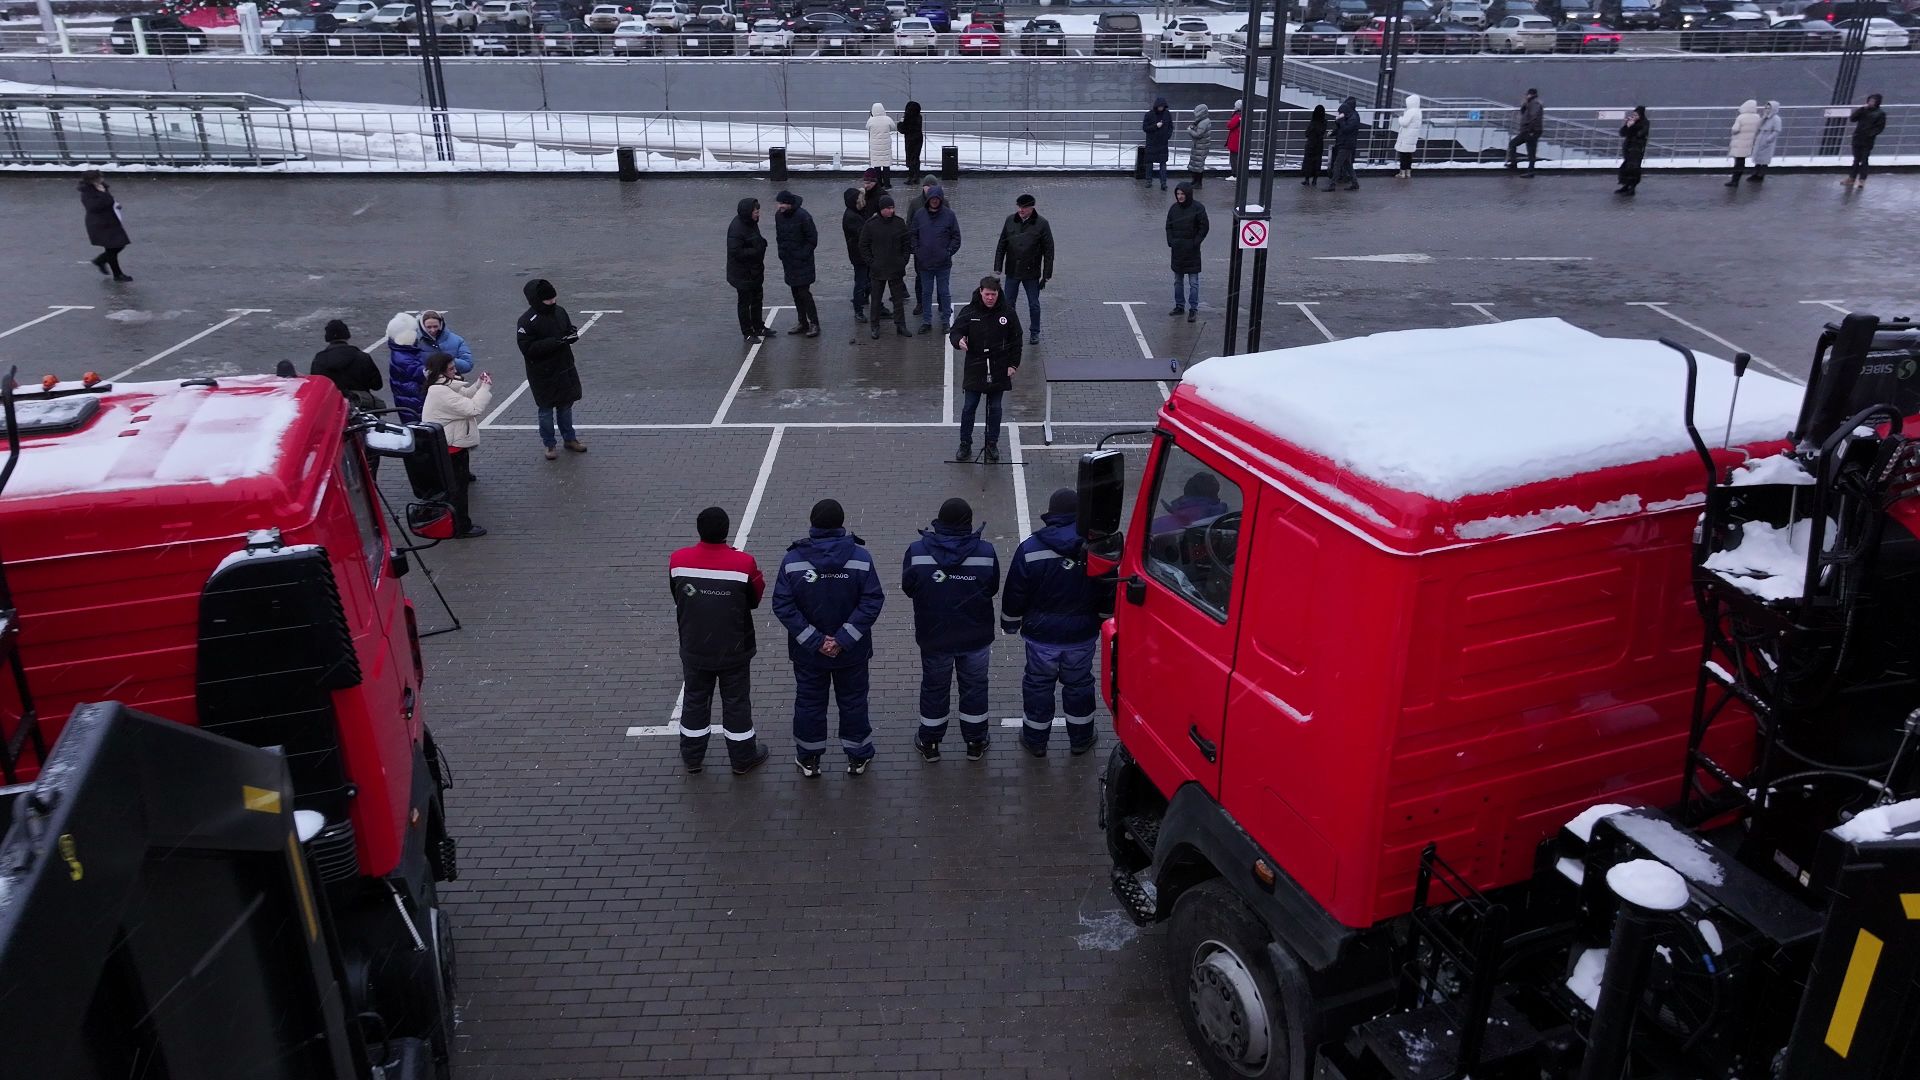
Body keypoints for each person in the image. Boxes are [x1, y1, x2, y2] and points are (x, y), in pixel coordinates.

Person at [771, 499, 885, 778]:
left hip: (809, 655)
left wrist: (816, 641)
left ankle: (809, 759)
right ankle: (857, 756)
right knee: (854, 702)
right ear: (841, 524)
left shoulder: (793, 560)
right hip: (852, 653)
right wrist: (843, 639)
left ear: (812, 525)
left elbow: (783, 605)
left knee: (809, 703)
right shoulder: (860, 557)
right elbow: (872, 601)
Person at [1002, 488, 1106, 757]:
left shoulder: (1030, 548)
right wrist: (1105, 620)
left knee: (1038, 684)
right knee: (1079, 684)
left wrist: (1010, 623)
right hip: (1081, 636)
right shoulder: (1096, 546)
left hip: (1041, 636)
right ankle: (1081, 739)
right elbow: (1107, 589)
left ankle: (1036, 740)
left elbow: (1016, 591)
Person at [669, 506, 770, 776]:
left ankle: (692, 757)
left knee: (694, 700)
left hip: (695, 647)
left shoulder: (678, 561)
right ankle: (742, 758)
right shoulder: (744, 564)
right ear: (727, 531)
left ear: (699, 529)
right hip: (733, 650)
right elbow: (754, 600)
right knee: (736, 703)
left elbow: (677, 595)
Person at [902, 497, 1000, 762]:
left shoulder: (917, 551)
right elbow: (992, 588)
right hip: (975, 637)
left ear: (940, 521)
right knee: (975, 688)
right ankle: (975, 742)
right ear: (968, 523)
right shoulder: (986, 552)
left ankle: (931, 742)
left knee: (934, 688)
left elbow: (909, 588)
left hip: (935, 637)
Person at [948, 275, 1023, 463]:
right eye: (987, 294)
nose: (990, 298)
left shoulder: (1008, 313)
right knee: (968, 408)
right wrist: (958, 341)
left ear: (998, 293)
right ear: (981, 291)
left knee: (995, 409)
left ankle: (992, 444)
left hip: (999, 368)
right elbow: (955, 331)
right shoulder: (969, 311)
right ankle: (965, 444)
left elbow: (1017, 340)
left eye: (994, 294)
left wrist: (1013, 365)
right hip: (975, 367)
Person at [419, 351, 492, 539]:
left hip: (449, 445)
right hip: (451, 448)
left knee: (456, 488)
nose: (455, 371)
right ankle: (461, 527)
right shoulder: (441, 392)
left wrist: (477, 384)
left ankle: (453, 523)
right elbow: (473, 408)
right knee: (458, 490)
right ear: (441, 372)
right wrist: (485, 389)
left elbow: (463, 394)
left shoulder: (440, 386)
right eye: (451, 369)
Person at [515, 278, 587, 461]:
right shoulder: (526, 321)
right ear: (538, 300)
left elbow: (567, 329)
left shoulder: (560, 311)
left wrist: (571, 335)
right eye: (548, 300)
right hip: (542, 373)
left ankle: (569, 438)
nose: (553, 303)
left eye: (554, 299)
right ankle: (549, 444)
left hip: (564, 367)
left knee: (566, 406)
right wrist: (555, 342)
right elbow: (527, 348)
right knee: (545, 410)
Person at [993, 193, 1054, 346]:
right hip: (1013, 270)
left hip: (1031, 272)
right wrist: (998, 267)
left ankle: (1035, 332)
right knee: (1008, 303)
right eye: (1019, 207)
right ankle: (1008, 330)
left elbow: (1049, 250)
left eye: (1024, 207)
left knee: (1033, 304)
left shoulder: (1042, 224)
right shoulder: (1010, 220)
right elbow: (1002, 244)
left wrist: (1047, 274)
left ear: (1032, 207)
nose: (1021, 210)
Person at [858, 195, 913, 339]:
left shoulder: (899, 223)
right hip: (878, 270)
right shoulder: (871, 225)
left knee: (898, 299)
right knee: (875, 300)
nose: (891, 210)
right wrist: (872, 263)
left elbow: (907, 243)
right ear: (882, 209)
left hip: (896, 268)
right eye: (888, 208)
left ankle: (900, 325)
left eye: (892, 207)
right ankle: (874, 326)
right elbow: (863, 246)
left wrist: (904, 260)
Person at [909, 185, 961, 334]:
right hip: (924, 263)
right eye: (932, 198)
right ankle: (927, 321)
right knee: (926, 292)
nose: (934, 201)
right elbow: (913, 235)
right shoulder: (919, 215)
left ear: (940, 199)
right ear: (928, 199)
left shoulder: (949, 215)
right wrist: (918, 251)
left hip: (943, 264)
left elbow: (956, 237)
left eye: (937, 199)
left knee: (944, 292)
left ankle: (945, 320)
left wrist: (948, 252)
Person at [773, 191, 820, 338]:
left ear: (789, 204)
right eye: (779, 203)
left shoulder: (803, 216)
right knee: (795, 292)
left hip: (802, 262)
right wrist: (782, 253)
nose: (780, 206)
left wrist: (801, 255)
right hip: (789, 261)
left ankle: (814, 323)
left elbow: (812, 239)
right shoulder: (779, 216)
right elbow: (779, 237)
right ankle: (802, 322)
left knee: (804, 293)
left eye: (782, 203)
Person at [310, 319, 384, 411]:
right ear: (347, 335)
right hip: (361, 407)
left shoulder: (319, 360)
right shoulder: (362, 357)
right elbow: (377, 385)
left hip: (333, 409)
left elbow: (317, 388)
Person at [727, 197, 772, 343]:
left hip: (754, 272)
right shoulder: (737, 228)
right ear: (748, 212)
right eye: (756, 212)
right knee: (745, 303)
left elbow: (755, 239)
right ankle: (747, 332)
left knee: (757, 299)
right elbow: (736, 252)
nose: (758, 214)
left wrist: (760, 244)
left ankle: (758, 326)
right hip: (743, 274)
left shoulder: (750, 222)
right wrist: (757, 250)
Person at [1165, 182, 1209, 323]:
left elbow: (1204, 227)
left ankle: (1193, 308)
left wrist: (1195, 242)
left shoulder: (1198, 208)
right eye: (1178, 194)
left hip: (1192, 251)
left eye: (1182, 194)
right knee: (1178, 281)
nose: (1180, 196)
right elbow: (1168, 226)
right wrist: (1171, 241)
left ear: (1188, 194)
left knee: (1193, 282)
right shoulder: (1174, 209)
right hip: (1178, 250)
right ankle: (1179, 306)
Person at [78, 171, 132, 282]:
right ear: (92, 180)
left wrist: (115, 205)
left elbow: (108, 201)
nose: (102, 179)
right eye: (99, 178)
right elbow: (93, 207)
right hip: (100, 223)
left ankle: (101, 261)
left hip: (110, 221)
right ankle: (117, 274)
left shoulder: (101, 187)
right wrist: (104, 194)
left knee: (118, 245)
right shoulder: (87, 192)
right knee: (112, 247)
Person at [385, 312, 430, 423]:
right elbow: (420, 373)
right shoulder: (404, 357)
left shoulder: (404, 352)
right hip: (414, 401)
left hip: (411, 398)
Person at [906, 177, 941, 317]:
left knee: (941, 279)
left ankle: (942, 303)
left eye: (933, 186)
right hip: (921, 250)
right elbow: (909, 225)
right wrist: (914, 247)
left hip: (938, 249)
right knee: (920, 277)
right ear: (923, 187)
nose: (930, 189)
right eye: (927, 186)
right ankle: (920, 303)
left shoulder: (943, 202)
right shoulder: (915, 203)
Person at [1845, 93, 1883, 188]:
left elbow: (1880, 127)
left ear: (1877, 103)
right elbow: (1853, 119)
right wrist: (1861, 109)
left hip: (1867, 140)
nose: (1870, 103)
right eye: (1869, 101)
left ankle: (1862, 180)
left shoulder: (1880, 113)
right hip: (1858, 137)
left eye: (1873, 101)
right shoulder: (1863, 111)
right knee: (1856, 159)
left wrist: (1870, 134)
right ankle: (1851, 178)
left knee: (1864, 160)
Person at [418, 311, 473, 376]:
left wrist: (447, 361)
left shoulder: (457, 340)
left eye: (435, 326)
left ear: (441, 325)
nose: (433, 330)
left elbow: (468, 365)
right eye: (429, 327)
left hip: (452, 382)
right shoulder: (415, 342)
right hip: (426, 383)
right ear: (423, 326)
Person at [1506, 88, 1543, 176]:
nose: (1526, 96)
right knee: (1513, 144)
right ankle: (1513, 164)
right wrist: (1524, 105)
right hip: (1526, 131)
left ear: (1531, 94)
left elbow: (1534, 117)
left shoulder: (1534, 103)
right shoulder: (1529, 103)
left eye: (1527, 94)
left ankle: (1530, 171)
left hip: (1531, 131)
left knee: (1531, 151)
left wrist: (1531, 130)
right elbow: (1525, 114)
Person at [1326, 97, 1361, 191]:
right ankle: (1355, 183)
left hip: (1346, 144)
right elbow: (1341, 128)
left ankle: (1332, 185)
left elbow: (1346, 129)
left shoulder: (1353, 118)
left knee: (1337, 164)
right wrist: (1334, 131)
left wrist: (1340, 121)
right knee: (1347, 164)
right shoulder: (1350, 116)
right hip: (1345, 143)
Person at [1726, 99, 1759, 187]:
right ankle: (1737, 179)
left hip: (1739, 142)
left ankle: (1734, 181)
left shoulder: (1741, 117)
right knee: (1742, 161)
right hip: (1748, 143)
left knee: (1738, 162)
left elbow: (1735, 129)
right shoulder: (1757, 117)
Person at [1142, 96, 1174, 191]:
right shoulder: (1149, 115)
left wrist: (1167, 136)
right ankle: (1148, 181)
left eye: (1162, 106)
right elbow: (1145, 128)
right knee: (1149, 163)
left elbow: (1171, 127)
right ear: (1156, 106)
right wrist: (1156, 126)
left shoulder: (1167, 114)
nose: (1161, 108)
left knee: (1163, 163)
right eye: (1160, 106)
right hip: (1152, 143)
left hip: (1162, 143)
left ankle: (1163, 183)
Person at [1616, 105, 1649, 197]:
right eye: (1633, 114)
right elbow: (1622, 133)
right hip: (1628, 147)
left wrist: (1632, 126)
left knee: (1634, 168)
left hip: (1637, 148)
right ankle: (1625, 185)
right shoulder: (1631, 122)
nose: (1634, 116)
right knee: (1626, 166)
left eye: (1636, 115)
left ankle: (1632, 187)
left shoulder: (1645, 123)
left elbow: (1640, 134)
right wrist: (1627, 125)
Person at [1748, 100, 1781, 184]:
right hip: (1761, 137)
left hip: (1767, 138)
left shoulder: (1776, 119)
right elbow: (1758, 126)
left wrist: (1769, 139)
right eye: (1766, 108)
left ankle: (1760, 175)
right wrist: (1763, 118)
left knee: (1764, 159)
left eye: (1769, 108)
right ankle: (1755, 173)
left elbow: (1776, 130)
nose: (1767, 109)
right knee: (1757, 157)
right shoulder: (1765, 117)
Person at [866, 102, 897, 187]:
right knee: (886, 165)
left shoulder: (871, 120)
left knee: (877, 166)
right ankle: (887, 184)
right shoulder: (887, 119)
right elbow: (893, 127)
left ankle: (879, 184)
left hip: (875, 146)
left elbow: (867, 127)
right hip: (886, 145)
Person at [1394, 94, 1422, 179]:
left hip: (1406, 136)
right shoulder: (1418, 111)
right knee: (1409, 155)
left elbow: (1404, 123)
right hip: (1413, 136)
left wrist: (1400, 118)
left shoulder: (1410, 111)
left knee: (1403, 155)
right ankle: (1408, 172)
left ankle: (1402, 173)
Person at [1186, 102, 1213, 188]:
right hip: (1200, 146)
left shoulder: (1203, 122)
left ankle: (1198, 183)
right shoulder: (1204, 121)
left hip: (1201, 146)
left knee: (1198, 165)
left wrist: (1190, 131)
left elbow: (1198, 135)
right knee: (1196, 164)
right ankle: (1195, 181)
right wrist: (1194, 127)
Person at [1301, 104, 1328, 187]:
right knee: (1317, 162)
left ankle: (1307, 179)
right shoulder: (1324, 122)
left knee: (1308, 161)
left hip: (1311, 144)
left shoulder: (1313, 123)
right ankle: (1315, 180)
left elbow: (1307, 133)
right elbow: (1322, 133)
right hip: (1319, 144)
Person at [901, 99, 925, 182]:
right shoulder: (919, 117)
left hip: (909, 139)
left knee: (910, 157)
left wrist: (900, 123)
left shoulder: (906, 118)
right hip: (919, 138)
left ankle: (910, 177)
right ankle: (916, 177)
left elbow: (902, 129)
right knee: (916, 157)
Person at [1225, 98, 1244, 172]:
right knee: (1236, 158)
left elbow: (1230, 125)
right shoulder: (1242, 115)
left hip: (1235, 140)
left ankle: (1235, 174)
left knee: (1234, 158)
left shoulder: (1237, 116)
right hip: (1238, 139)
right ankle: (1237, 173)